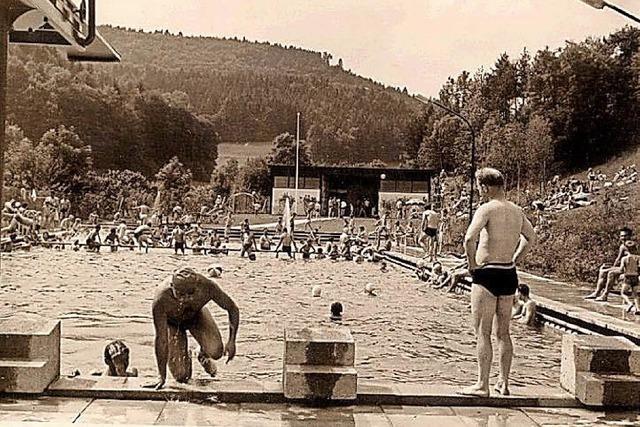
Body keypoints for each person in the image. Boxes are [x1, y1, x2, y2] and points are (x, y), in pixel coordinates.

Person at [460, 167, 536, 398]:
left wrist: (472, 264)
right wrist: (515, 259)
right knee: (504, 333)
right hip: (508, 273)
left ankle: (482, 385)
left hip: (487, 273)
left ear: (485, 187)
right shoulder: (517, 210)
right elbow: (530, 237)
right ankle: (503, 384)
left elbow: (469, 238)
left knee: (483, 332)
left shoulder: (487, 208)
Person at [143, 267, 238, 389]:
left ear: (197, 285)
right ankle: (185, 353)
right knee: (182, 377)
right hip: (172, 324)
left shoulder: (207, 286)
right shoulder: (161, 299)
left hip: (196, 316)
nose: (186, 299)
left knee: (216, 352)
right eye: (181, 294)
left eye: (191, 293)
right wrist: (161, 377)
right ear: (172, 287)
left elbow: (232, 308)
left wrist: (232, 341)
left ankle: (201, 353)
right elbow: (161, 339)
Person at [586, 227, 634, 301]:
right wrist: (612, 266)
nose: (623, 238)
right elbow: (618, 259)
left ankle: (605, 295)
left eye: (625, 236)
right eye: (621, 236)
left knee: (611, 273)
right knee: (603, 270)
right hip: (623, 267)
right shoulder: (622, 246)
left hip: (632, 269)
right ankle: (597, 292)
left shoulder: (632, 245)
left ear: (630, 236)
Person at [620, 241, 639, 314]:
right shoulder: (638, 258)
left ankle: (630, 303)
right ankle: (638, 309)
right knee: (635, 294)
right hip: (635, 277)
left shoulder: (624, 259)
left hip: (627, 277)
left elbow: (621, 269)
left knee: (623, 293)